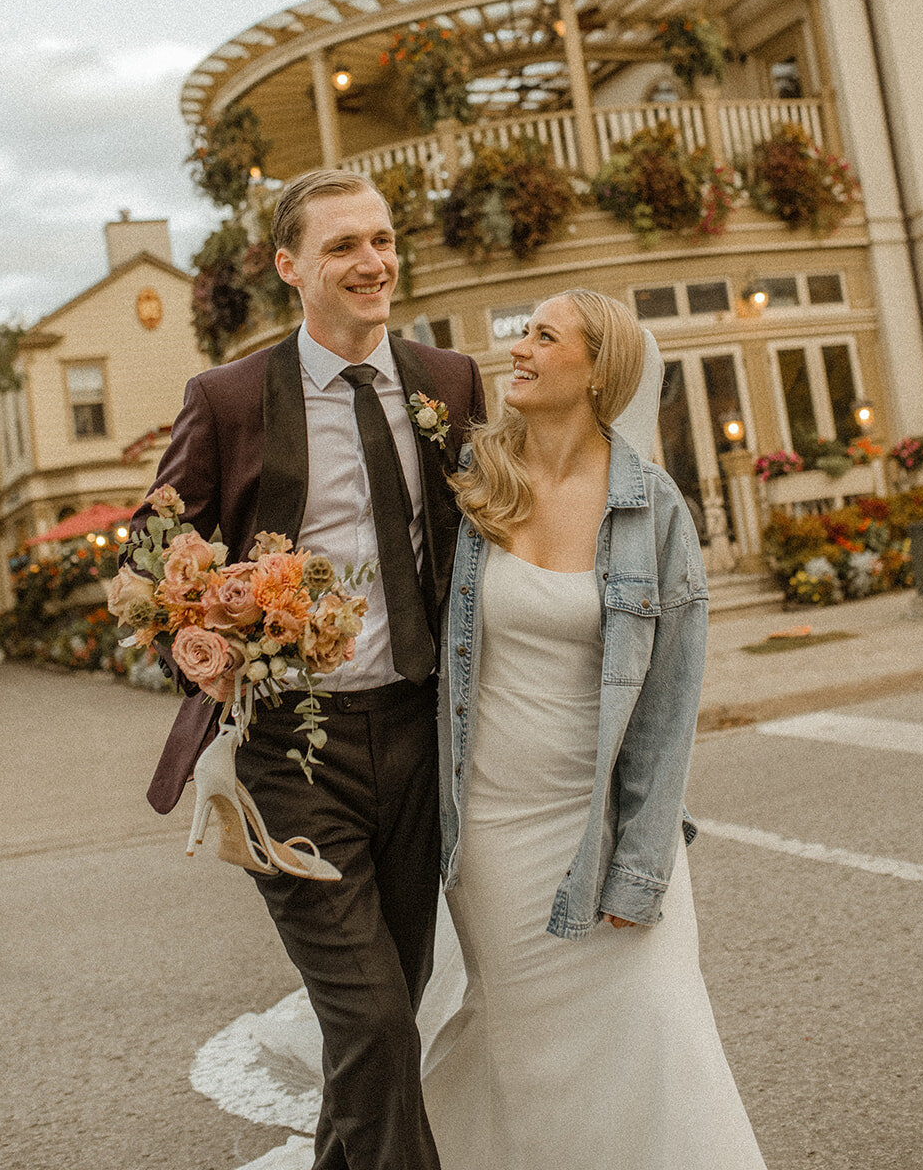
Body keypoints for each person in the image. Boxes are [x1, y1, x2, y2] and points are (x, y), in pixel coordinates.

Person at [139, 169, 486, 1170]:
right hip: (290, 748)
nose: (371, 261)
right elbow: (150, 551)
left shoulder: (447, 381)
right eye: (341, 246)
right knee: (372, 1020)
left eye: (379, 239)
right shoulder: (230, 396)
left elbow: (480, 534)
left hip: (421, 736)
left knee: (392, 1007)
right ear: (290, 267)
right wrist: (195, 637)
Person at [423, 289, 767, 1170]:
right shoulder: (469, 485)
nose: (519, 349)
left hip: (604, 826)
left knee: (658, 1033)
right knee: (529, 1060)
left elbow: (665, 710)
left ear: (598, 369)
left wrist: (640, 864)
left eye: (544, 336)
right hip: (494, 834)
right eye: (521, 331)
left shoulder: (652, 510)